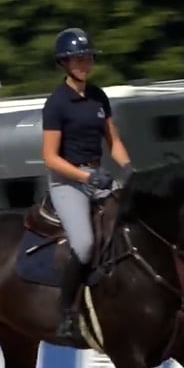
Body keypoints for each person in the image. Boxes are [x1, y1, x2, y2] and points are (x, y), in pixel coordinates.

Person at [40, 27, 133, 339]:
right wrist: (87, 176)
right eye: (77, 58)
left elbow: (113, 140)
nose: (84, 63)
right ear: (64, 62)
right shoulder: (56, 104)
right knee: (84, 244)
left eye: (87, 57)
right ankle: (66, 311)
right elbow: (50, 157)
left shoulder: (98, 96)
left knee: (134, 221)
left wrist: (129, 169)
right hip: (68, 182)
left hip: (99, 176)